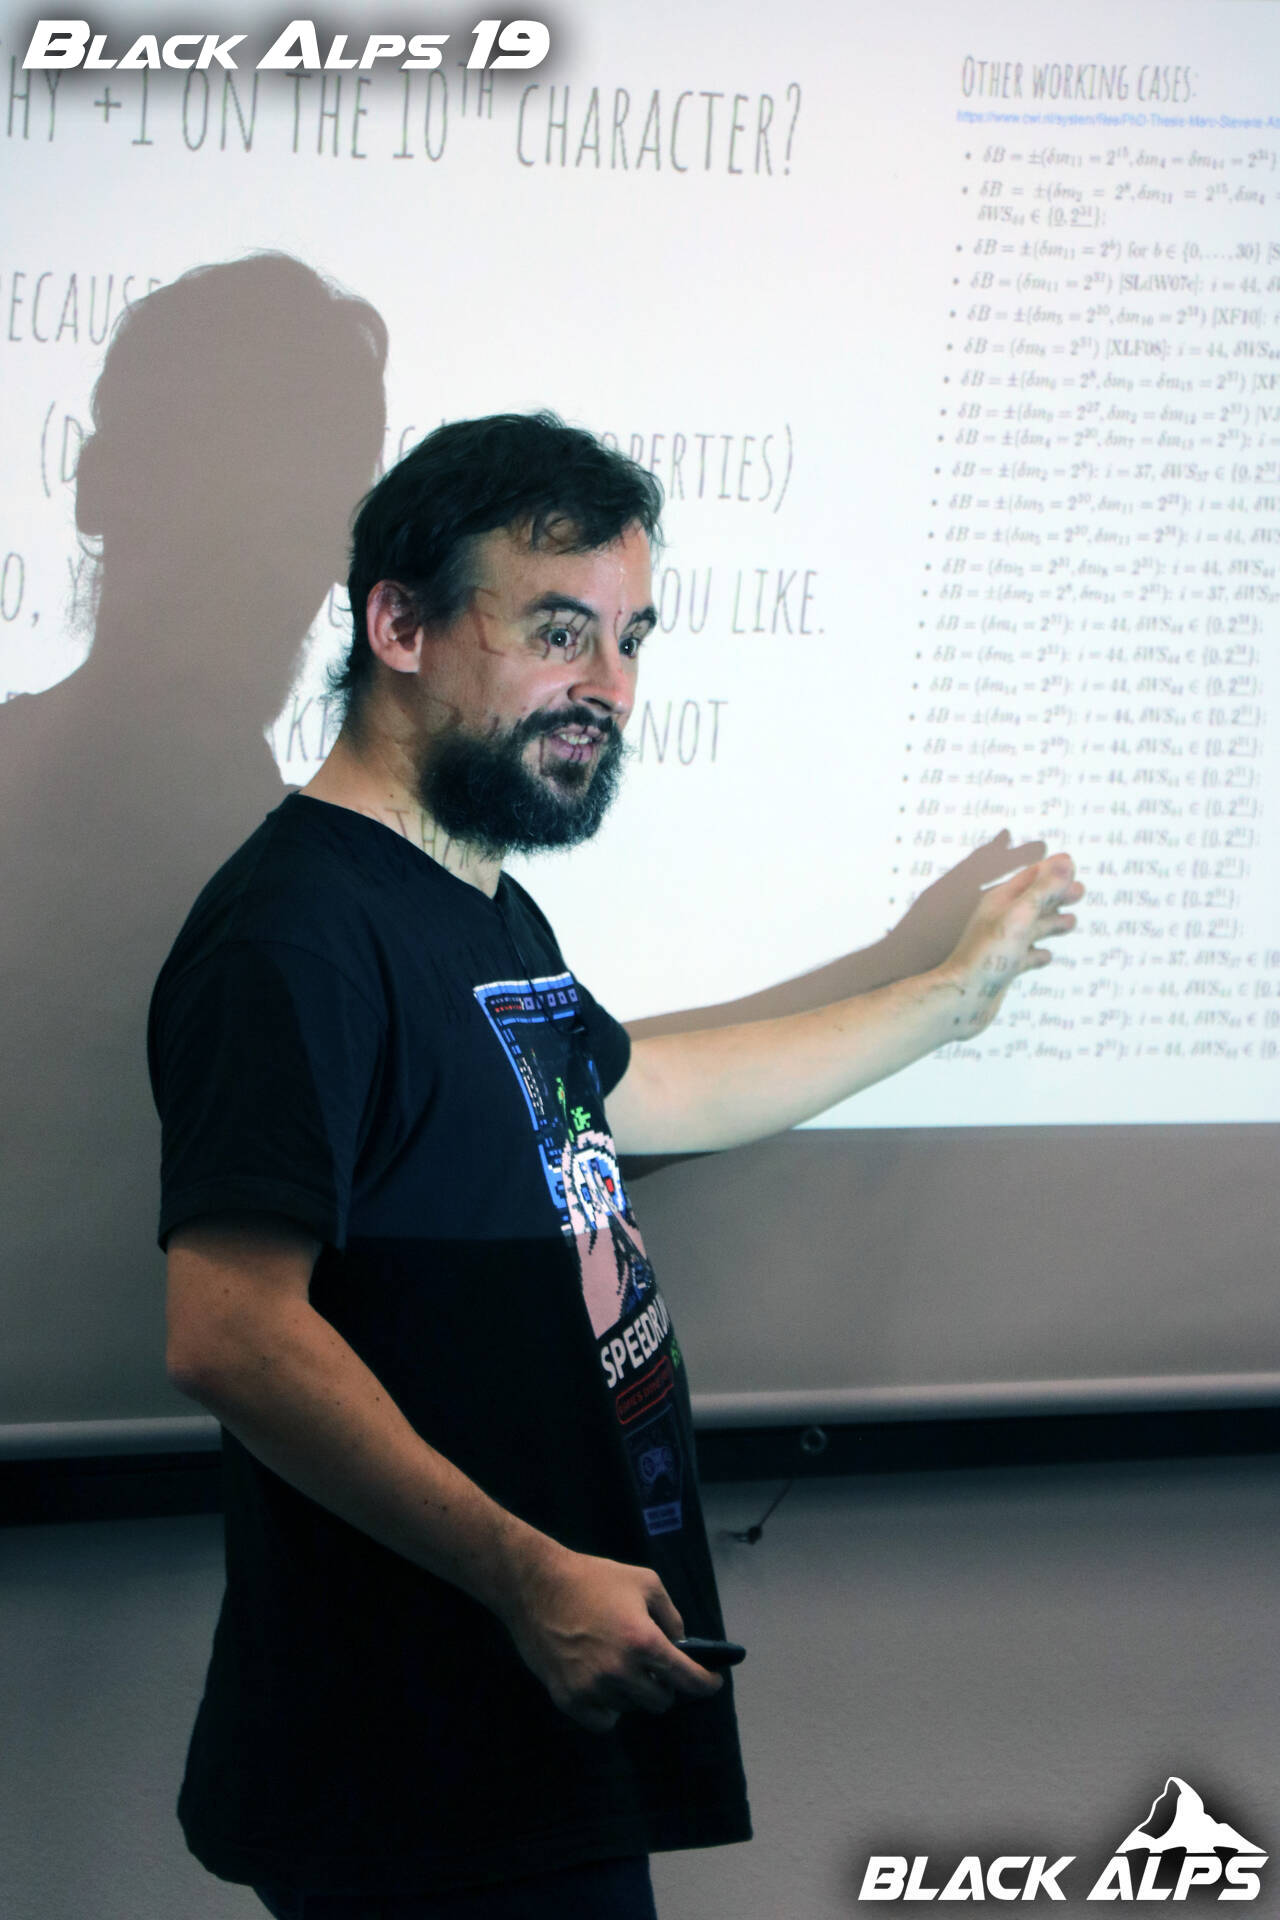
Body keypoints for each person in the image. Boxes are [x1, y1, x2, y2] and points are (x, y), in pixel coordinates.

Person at [150, 412, 1082, 1917]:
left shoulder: (481, 905)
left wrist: (948, 1001)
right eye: (558, 633)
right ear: (400, 626)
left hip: (535, 1720)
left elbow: (641, 1093)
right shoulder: (298, 933)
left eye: (631, 638)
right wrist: (531, 1575)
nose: (613, 687)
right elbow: (230, 1331)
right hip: (421, 1755)